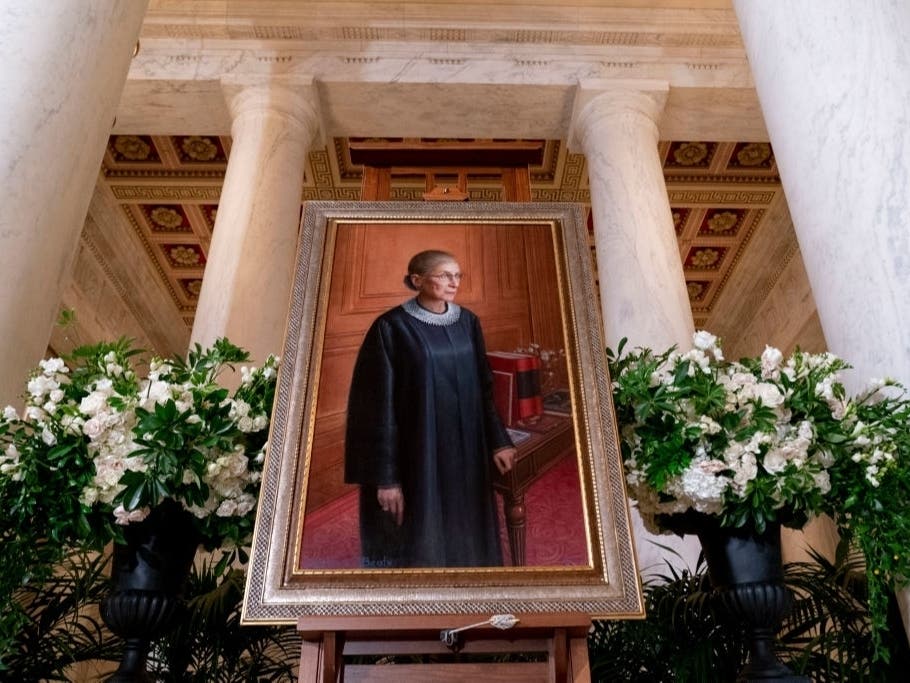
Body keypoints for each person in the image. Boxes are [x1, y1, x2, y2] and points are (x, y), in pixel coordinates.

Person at [344, 249, 517, 568]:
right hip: (418, 457)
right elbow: (375, 408)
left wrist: (498, 440)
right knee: (424, 542)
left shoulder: (468, 322)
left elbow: (484, 387)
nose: (454, 282)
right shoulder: (391, 327)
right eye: (444, 275)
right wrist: (386, 479)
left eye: (457, 275)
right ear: (417, 280)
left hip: (466, 454)